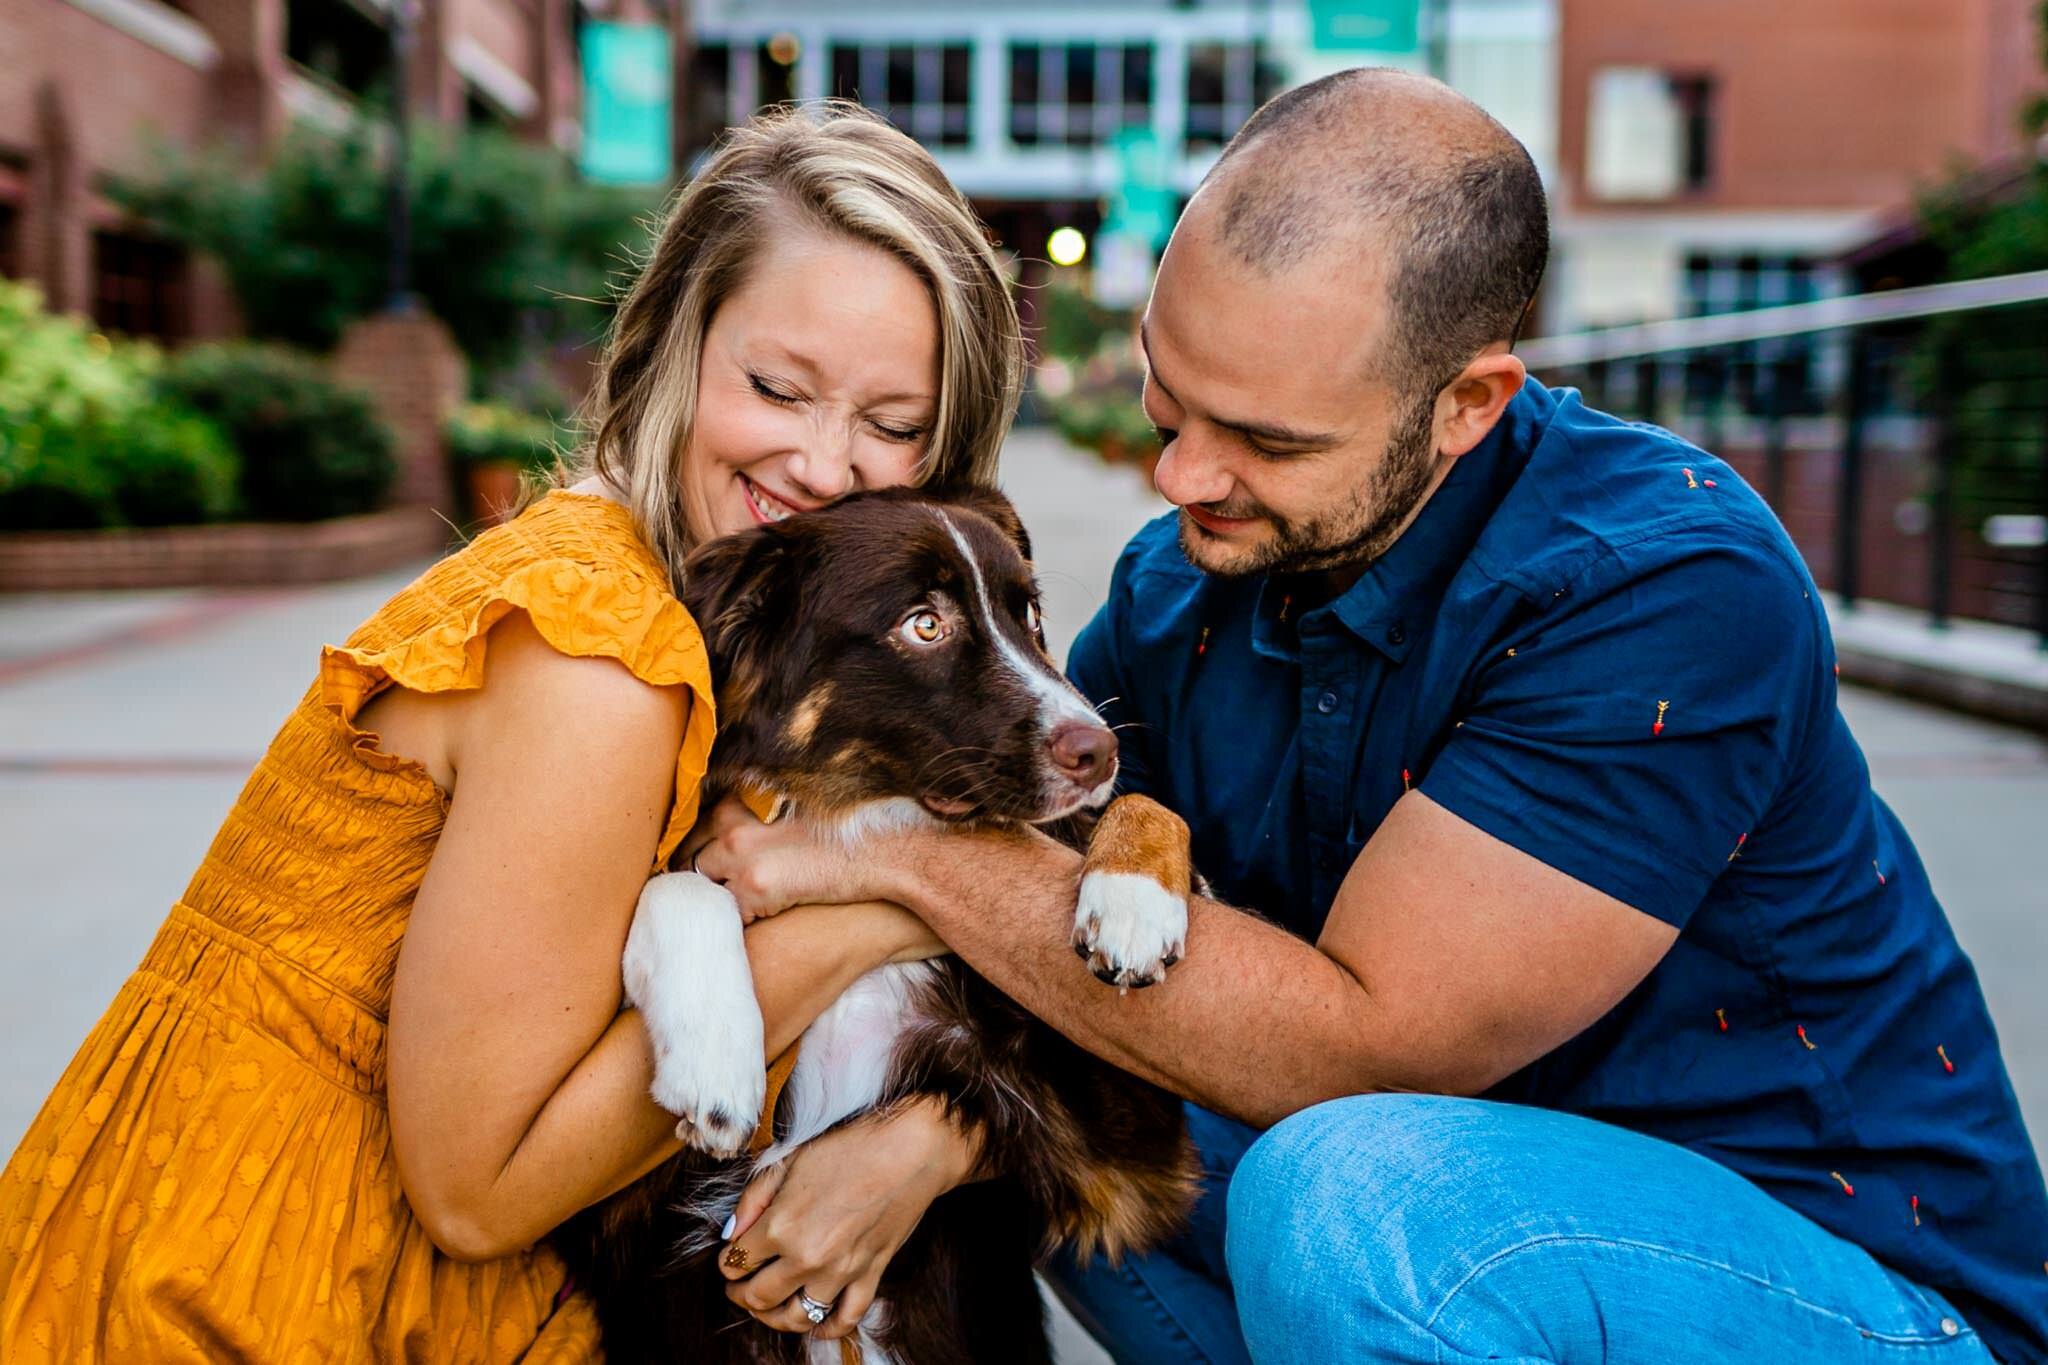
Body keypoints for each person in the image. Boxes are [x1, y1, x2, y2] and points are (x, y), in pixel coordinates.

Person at [693, 71, 2048, 1362]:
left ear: (1467, 403)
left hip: (1827, 1282)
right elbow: (1070, 876)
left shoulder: (1664, 583)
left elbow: (1367, 1054)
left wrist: (887, 850)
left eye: (1267, 442)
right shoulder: (1189, 581)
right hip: (1438, 1254)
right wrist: (950, 1133)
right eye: (1170, 395)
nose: (1182, 474)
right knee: (1087, 1125)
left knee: (1354, 1200)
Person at [0, 102, 1021, 1360]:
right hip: (264, 1293)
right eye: (775, 388)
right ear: (668, 351)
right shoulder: (599, 657)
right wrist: (884, 905)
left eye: (891, 424)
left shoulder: (702, 615)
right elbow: (475, 1192)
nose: (821, 463)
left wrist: (934, 1134)